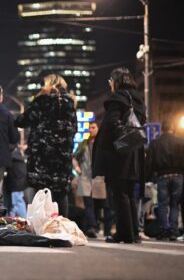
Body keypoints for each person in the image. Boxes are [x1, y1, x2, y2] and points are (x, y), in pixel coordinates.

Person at [92, 67, 146, 244]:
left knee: (119, 193)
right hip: (134, 151)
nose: (109, 83)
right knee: (129, 193)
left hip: (120, 152)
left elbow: (111, 124)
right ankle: (133, 233)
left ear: (116, 81)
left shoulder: (118, 98)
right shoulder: (138, 99)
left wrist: (112, 144)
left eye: (110, 80)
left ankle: (124, 233)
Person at [14, 74, 77, 218]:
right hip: (62, 156)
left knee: (41, 191)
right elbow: (74, 128)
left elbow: (22, 121)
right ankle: (62, 228)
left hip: (41, 155)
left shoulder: (40, 101)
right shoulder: (69, 103)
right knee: (61, 192)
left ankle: (42, 228)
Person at [145, 120, 184, 240]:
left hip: (162, 176)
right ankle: (173, 230)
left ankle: (164, 229)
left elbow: (149, 163)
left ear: (162, 130)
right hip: (178, 175)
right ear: (173, 129)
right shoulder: (181, 141)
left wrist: (148, 178)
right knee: (174, 204)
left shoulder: (155, 143)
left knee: (162, 204)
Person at [74, 122, 111, 238]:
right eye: (89, 128)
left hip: (99, 178)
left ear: (98, 129)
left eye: (93, 127)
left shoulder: (103, 143)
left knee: (102, 204)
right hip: (85, 177)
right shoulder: (84, 143)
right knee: (88, 203)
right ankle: (92, 227)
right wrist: (77, 168)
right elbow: (74, 157)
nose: (91, 130)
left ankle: (105, 228)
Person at [5, 145, 28, 218]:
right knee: (16, 201)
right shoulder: (17, 155)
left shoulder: (12, 156)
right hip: (17, 179)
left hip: (15, 180)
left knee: (16, 201)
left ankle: (24, 221)